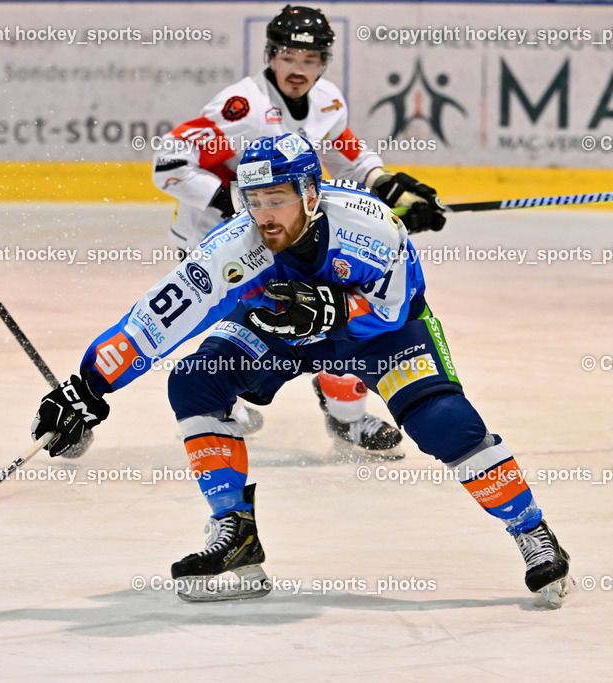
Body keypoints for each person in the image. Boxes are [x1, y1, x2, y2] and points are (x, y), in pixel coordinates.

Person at [34, 133, 572, 607]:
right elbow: (158, 317)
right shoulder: (235, 247)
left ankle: (532, 530)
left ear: (310, 195)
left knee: (446, 424)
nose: (264, 215)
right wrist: (88, 387)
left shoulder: (370, 227)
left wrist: (333, 309)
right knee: (194, 380)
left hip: (379, 334)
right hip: (282, 328)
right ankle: (235, 528)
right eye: (254, 201)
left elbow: (393, 306)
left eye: (277, 199)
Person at [151, 5, 446, 459]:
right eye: (289, 57)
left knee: (332, 314)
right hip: (224, 241)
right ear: (271, 55)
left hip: (288, 237)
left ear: (323, 63)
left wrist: (382, 181)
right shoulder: (242, 110)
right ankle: (218, 399)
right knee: (248, 326)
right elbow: (168, 164)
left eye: (310, 61)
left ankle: (346, 417)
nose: (299, 70)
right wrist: (232, 200)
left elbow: (345, 143)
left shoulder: (327, 99)